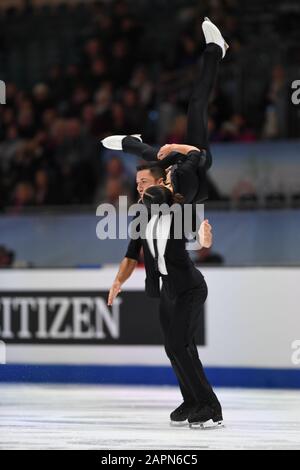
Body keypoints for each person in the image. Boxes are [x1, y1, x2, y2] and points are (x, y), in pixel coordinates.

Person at [108, 185, 223, 428]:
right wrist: (119, 280)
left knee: (178, 345)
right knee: (174, 348)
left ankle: (210, 406)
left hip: (190, 289)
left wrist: (205, 236)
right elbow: (132, 254)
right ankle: (192, 401)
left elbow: (198, 236)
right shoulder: (143, 221)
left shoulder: (178, 218)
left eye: (146, 201)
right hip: (169, 290)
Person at [102, 17, 228, 204]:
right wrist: (173, 147)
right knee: (197, 104)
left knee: (153, 154)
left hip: (175, 171)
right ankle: (216, 50)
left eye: (142, 186)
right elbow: (195, 153)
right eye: (143, 185)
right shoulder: (184, 175)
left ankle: (131, 143)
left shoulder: (158, 192)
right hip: (196, 160)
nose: (140, 187)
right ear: (161, 183)